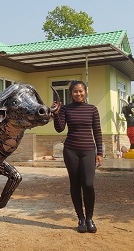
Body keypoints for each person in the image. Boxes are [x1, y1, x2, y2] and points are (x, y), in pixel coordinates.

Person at [51, 80, 103, 233]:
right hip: (71, 151)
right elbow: (60, 129)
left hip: (88, 150)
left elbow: (97, 132)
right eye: (75, 91)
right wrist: (56, 113)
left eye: (81, 91)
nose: (78, 94)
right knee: (75, 184)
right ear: (71, 93)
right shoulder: (65, 109)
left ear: (85, 91)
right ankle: (80, 219)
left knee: (88, 184)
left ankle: (89, 218)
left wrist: (99, 152)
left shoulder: (92, 109)